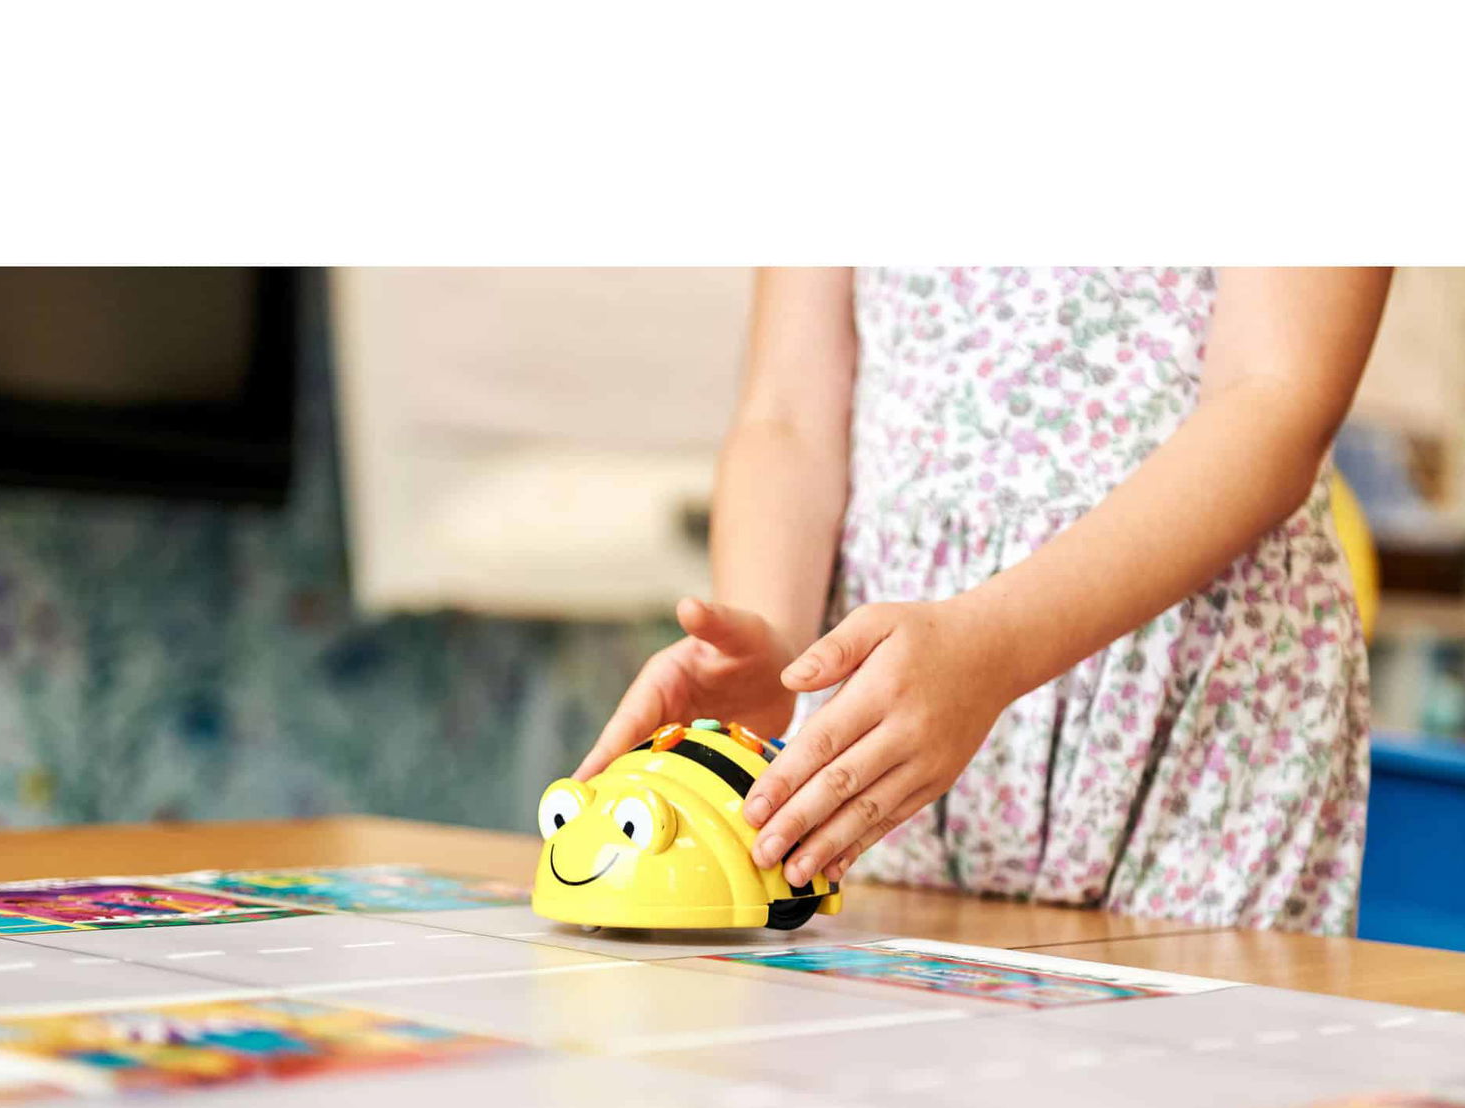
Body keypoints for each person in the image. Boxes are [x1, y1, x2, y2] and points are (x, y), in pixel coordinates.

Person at [577, 268, 1390, 935]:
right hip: (891, 715)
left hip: (1196, 717)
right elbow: (785, 412)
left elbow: (1275, 396)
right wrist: (778, 652)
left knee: (1201, 1066)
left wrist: (993, 646)